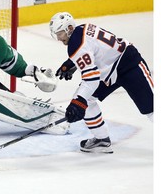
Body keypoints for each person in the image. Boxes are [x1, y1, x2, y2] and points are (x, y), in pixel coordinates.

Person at [49, 12, 154, 153]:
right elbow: (94, 48)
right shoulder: (82, 28)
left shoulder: (75, 44)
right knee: (88, 99)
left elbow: (91, 78)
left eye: (60, 33)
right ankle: (102, 139)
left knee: (152, 109)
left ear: (69, 29)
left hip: (130, 65)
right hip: (109, 71)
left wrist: (78, 102)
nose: (58, 38)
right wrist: (71, 63)